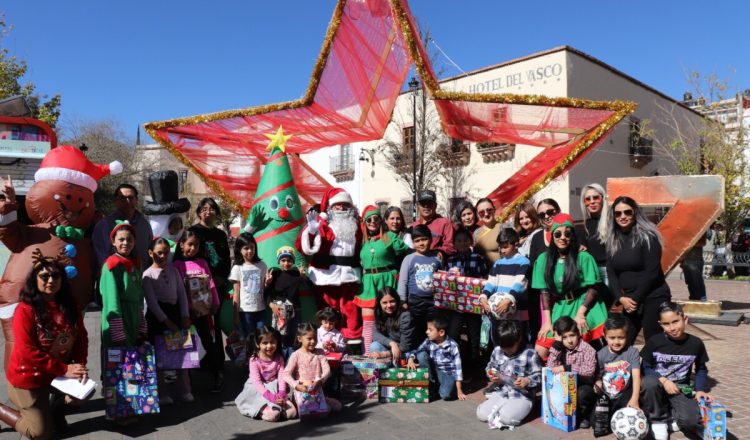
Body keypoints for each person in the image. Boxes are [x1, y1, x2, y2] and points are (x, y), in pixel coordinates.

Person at [0, 251, 89, 439]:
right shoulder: (25, 310)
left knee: (82, 393)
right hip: (28, 378)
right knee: (40, 433)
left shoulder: (69, 305)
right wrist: (64, 369)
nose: (50, 280)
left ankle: (55, 414)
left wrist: (79, 365)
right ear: (35, 279)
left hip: (56, 373)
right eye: (44, 276)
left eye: (55, 275)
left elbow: (81, 338)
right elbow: (27, 351)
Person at [533, 213, 608, 359]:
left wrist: (581, 314)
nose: (563, 237)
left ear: (572, 236)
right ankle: (553, 378)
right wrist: (547, 322)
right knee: (541, 348)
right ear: (552, 236)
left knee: (576, 346)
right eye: (558, 234)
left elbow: (594, 288)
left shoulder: (583, 257)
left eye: (567, 233)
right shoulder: (543, 259)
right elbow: (544, 292)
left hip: (584, 305)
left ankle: (583, 378)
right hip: (561, 306)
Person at [297, 187, 363, 340]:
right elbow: (303, 247)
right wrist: (312, 231)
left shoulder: (356, 225)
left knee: (351, 311)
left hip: (350, 277)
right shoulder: (322, 225)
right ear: (330, 208)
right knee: (328, 313)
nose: (341, 208)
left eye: (345, 205)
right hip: (327, 276)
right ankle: (327, 342)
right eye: (337, 205)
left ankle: (351, 341)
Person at [605, 196, 671, 346]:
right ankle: (627, 369)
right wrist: (620, 298)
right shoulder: (612, 240)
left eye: (627, 212)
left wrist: (634, 299)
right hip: (629, 300)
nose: (623, 216)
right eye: (618, 213)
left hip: (653, 297)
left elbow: (652, 272)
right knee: (622, 342)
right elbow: (611, 272)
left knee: (654, 343)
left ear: (635, 213)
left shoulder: (648, 237)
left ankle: (649, 369)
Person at [99, 221, 147, 425]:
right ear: (114, 242)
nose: (125, 242)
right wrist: (117, 331)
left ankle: (130, 406)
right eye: (121, 239)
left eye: (129, 239)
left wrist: (141, 321)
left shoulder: (135, 264)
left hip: (133, 318)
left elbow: (139, 295)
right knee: (116, 367)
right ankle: (116, 411)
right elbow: (112, 300)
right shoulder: (111, 265)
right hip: (118, 321)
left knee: (130, 366)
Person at [640, 302, 710, 440]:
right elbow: (645, 367)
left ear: (685, 319)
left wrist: (701, 389)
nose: (672, 328)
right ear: (660, 324)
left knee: (690, 421)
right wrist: (664, 380)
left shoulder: (696, 343)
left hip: (680, 388)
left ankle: (672, 415)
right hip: (658, 385)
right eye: (666, 324)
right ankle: (658, 420)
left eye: (675, 322)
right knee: (649, 383)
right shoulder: (655, 341)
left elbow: (701, 368)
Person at [142, 237, 192, 405]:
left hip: (176, 315)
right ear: (150, 253)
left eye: (166, 252)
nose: (163, 256)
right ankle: (162, 393)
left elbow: (182, 295)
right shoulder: (147, 275)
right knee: (159, 359)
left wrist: (184, 315)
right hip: (158, 319)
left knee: (181, 356)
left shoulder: (174, 271)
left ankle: (185, 390)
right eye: (159, 253)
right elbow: (152, 303)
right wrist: (166, 321)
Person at [173, 230, 223, 393]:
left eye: (196, 245)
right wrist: (185, 310)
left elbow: (211, 285)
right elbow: (178, 290)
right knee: (187, 346)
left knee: (208, 342)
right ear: (181, 245)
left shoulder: (202, 262)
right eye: (190, 244)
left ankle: (217, 375)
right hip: (186, 314)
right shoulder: (177, 265)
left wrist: (215, 302)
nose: (193, 248)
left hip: (203, 312)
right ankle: (188, 382)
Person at [356, 205, 409, 355]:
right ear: (365, 223)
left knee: (389, 320)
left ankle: (393, 353)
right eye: (369, 220)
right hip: (367, 283)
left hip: (387, 280)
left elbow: (408, 254)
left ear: (381, 221)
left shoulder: (390, 236)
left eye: (376, 219)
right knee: (367, 322)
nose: (373, 222)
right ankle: (368, 355)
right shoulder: (363, 241)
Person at [189, 198, 231, 367]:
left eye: (212, 208)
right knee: (201, 324)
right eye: (204, 208)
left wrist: (222, 276)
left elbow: (227, 259)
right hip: (197, 286)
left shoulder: (220, 234)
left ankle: (217, 361)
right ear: (199, 212)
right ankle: (201, 361)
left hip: (218, 285)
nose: (208, 211)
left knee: (216, 322)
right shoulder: (193, 232)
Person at [476, 320, 542, 429]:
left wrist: (527, 381)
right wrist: (490, 374)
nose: (507, 351)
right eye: (503, 348)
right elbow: (490, 366)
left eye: (510, 347)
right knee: (481, 414)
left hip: (522, 395)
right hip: (502, 391)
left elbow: (539, 376)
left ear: (518, 339)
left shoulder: (529, 353)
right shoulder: (497, 351)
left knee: (506, 418)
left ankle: (524, 408)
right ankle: (505, 408)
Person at [480, 228, 531, 345]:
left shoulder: (524, 262)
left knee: (516, 341)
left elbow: (520, 283)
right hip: (498, 312)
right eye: (500, 247)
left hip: (517, 313)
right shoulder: (498, 263)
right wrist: (483, 297)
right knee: (498, 341)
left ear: (516, 244)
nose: (502, 250)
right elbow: (491, 283)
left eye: (505, 247)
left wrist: (509, 299)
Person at [445, 227, 487, 368]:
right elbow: (446, 283)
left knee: (474, 335)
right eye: (458, 241)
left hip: (474, 304)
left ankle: (475, 365)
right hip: (456, 305)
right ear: (454, 243)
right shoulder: (450, 261)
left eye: (465, 240)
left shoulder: (478, 258)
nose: (462, 243)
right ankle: (457, 364)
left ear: (470, 242)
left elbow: (485, 279)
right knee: (453, 334)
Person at [235, 326, 296, 422]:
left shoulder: (279, 358)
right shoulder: (254, 360)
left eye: (272, 342)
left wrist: (282, 394)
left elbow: (281, 378)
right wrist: (271, 398)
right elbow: (257, 383)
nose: (269, 346)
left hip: (274, 386)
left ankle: (276, 407)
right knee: (273, 416)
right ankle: (261, 408)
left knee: (292, 413)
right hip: (258, 389)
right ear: (257, 344)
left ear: (277, 342)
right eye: (265, 343)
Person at [547, 316, 597, 429]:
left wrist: (567, 368)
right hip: (564, 385)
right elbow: (550, 367)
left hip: (583, 383)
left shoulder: (587, 349)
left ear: (578, 334)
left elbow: (589, 371)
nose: (569, 340)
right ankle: (560, 415)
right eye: (565, 337)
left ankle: (583, 416)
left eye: (572, 335)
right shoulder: (560, 348)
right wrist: (556, 345)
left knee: (582, 394)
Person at [595, 314, 642, 430]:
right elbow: (598, 375)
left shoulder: (632, 352)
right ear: (605, 336)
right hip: (606, 396)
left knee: (627, 422)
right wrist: (598, 382)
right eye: (612, 338)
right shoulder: (600, 354)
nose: (616, 342)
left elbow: (636, 377)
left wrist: (635, 399)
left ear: (627, 335)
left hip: (625, 394)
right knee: (597, 425)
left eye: (621, 338)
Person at [282, 322, 342, 414]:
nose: (313, 341)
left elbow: (327, 370)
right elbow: (286, 374)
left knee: (337, 406)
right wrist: (296, 386)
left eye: (315, 338)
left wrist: (320, 381)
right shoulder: (296, 355)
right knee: (292, 413)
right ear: (299, 339)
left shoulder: (320, 352)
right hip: (302, 392)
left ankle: (321, 403)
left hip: (317, 391)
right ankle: (294, 404)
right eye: (309, 339)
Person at [93, 184, 154, 270]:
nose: (127, 201)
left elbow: (150, 250)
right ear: (115, 201)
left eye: (131, 197)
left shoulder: (144, 223)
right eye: (122, 198)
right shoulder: (104, 225)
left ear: (136, 200)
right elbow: (101, 257)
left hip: (142, 278)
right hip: (116, 277)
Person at [397, 224, 442, 337]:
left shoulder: (437, 259)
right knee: (416, 330)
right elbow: (403, 281)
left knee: (432, 330)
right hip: (415, 302)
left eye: (424, 239)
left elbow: (442, 280)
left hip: (433, 302)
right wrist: (402, 301)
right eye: (417, 241)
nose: (421, 243)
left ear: (431, 239)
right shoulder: (409, 259)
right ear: (413, 242)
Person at [526, 198, 561, 345]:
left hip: (562, 295)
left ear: (558, 211)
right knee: (543, 336)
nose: (546, 216)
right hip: (542, 296)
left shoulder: (567, 233)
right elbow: (533, 266)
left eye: (550, 212)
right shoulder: (537, 237)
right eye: (542, 215)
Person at [408, 315, 466, 401]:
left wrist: (459, 390)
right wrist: (411, 358)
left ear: (441, 332)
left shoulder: (453, 346)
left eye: (430, 330)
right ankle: (430, 384)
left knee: (445, 395)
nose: (427, 332)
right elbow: (418, 350)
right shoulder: (428, 341)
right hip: (434, 371)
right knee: (421, 355)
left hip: (447, 374)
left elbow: (458, 369)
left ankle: (441, 387)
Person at [229, 233, 270, 343]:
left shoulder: (262, 265)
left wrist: (267, 283)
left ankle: (260, 360)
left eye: (252, 247)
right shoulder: (237, 268)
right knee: (249, 339)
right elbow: (236, 292)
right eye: (246, 248)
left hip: (261, 309)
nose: (250, 251)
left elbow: (263, 287)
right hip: (245, 311)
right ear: (239, 249)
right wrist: (235, 314)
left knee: (262, 338)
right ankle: (250, 359)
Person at [266, 246, 306, 358]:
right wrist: (268, 284)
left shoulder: (297, 274)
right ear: (279, 261)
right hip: (280, 311)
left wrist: (303, 277)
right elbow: (267, 294)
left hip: (295, 309)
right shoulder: (275, 274)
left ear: (293, 261)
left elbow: (310, 287)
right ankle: (280, 361)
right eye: (283, 260)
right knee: (280, 337)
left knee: (294, 336)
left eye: (289, 260)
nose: (286, 263)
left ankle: (292, 361)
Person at [579, 183, 612, 307]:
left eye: (595, 198)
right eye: (588, 199)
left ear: (603, 199)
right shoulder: (585, 225)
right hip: (591, 274)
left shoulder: (611, 222)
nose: (592, 202)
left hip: (608, 273)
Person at [369, 287, 420, 363]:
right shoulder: (379, 314)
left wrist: (385, 354)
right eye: (385, 303)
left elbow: (405, 346)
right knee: (374, 346)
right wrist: (391, 343)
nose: (389, 305)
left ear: (397, 301)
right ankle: (380, 373)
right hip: (390, 347)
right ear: (379, 303)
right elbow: (375, 334)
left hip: (406, 352)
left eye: (392, 301)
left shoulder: (405, 316)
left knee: (395, 359)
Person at [411, 189, 455, 256]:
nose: (426, 206)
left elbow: (451, 247)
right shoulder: (413, 226)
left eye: (429, 203)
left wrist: (440, 252)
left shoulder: (445, 223)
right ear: (418, 206)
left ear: (435, 206)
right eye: (423, 204)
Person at [473, 198, 502, 267]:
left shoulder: (504, 228)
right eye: (481, 212)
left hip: (501, 272)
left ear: (494, 209)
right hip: (482, 274)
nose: (486, 214)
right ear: (478, 214)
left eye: (489, 210)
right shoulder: (476, 233)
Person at [680, 233, 708, 301]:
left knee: (697, 280)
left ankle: (702, 298)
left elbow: (703, 243)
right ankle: (693, 297)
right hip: (686, 260)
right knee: (689, 281)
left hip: (696, 259)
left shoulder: (701, 230)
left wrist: (690, 243)